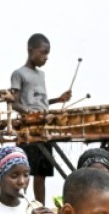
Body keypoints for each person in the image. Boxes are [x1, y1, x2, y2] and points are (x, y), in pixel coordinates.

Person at [11, 33, 72, 204]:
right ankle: (20, 207)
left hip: (44, 128)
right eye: (43, 53)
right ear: (31, 50)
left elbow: (41, 103)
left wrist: (58, 100)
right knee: (23, 172)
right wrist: (31, 114)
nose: (46, 58)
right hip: (28, 130)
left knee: (41, 174)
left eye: (47, 54)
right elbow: (14, 103)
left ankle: (41, 208)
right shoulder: (19, 74)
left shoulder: (42, 75)